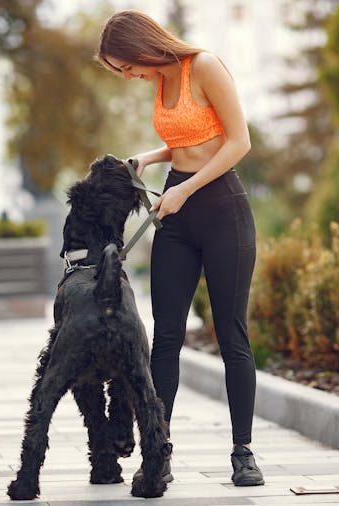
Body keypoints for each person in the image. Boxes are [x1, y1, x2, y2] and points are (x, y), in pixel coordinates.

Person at [96, 10, 264, 487]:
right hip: (176, 210)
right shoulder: (160, 82)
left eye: (126, 66)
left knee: (232, 334)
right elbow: (188, 139)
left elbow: (237, 142)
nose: (128, 76)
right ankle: (158, 452)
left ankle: (243, 452)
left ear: (142, 47)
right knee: (166, 336)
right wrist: (150, 156)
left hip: (221, 210)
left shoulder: (205, 66)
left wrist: (187, 190)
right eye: (120, 71)